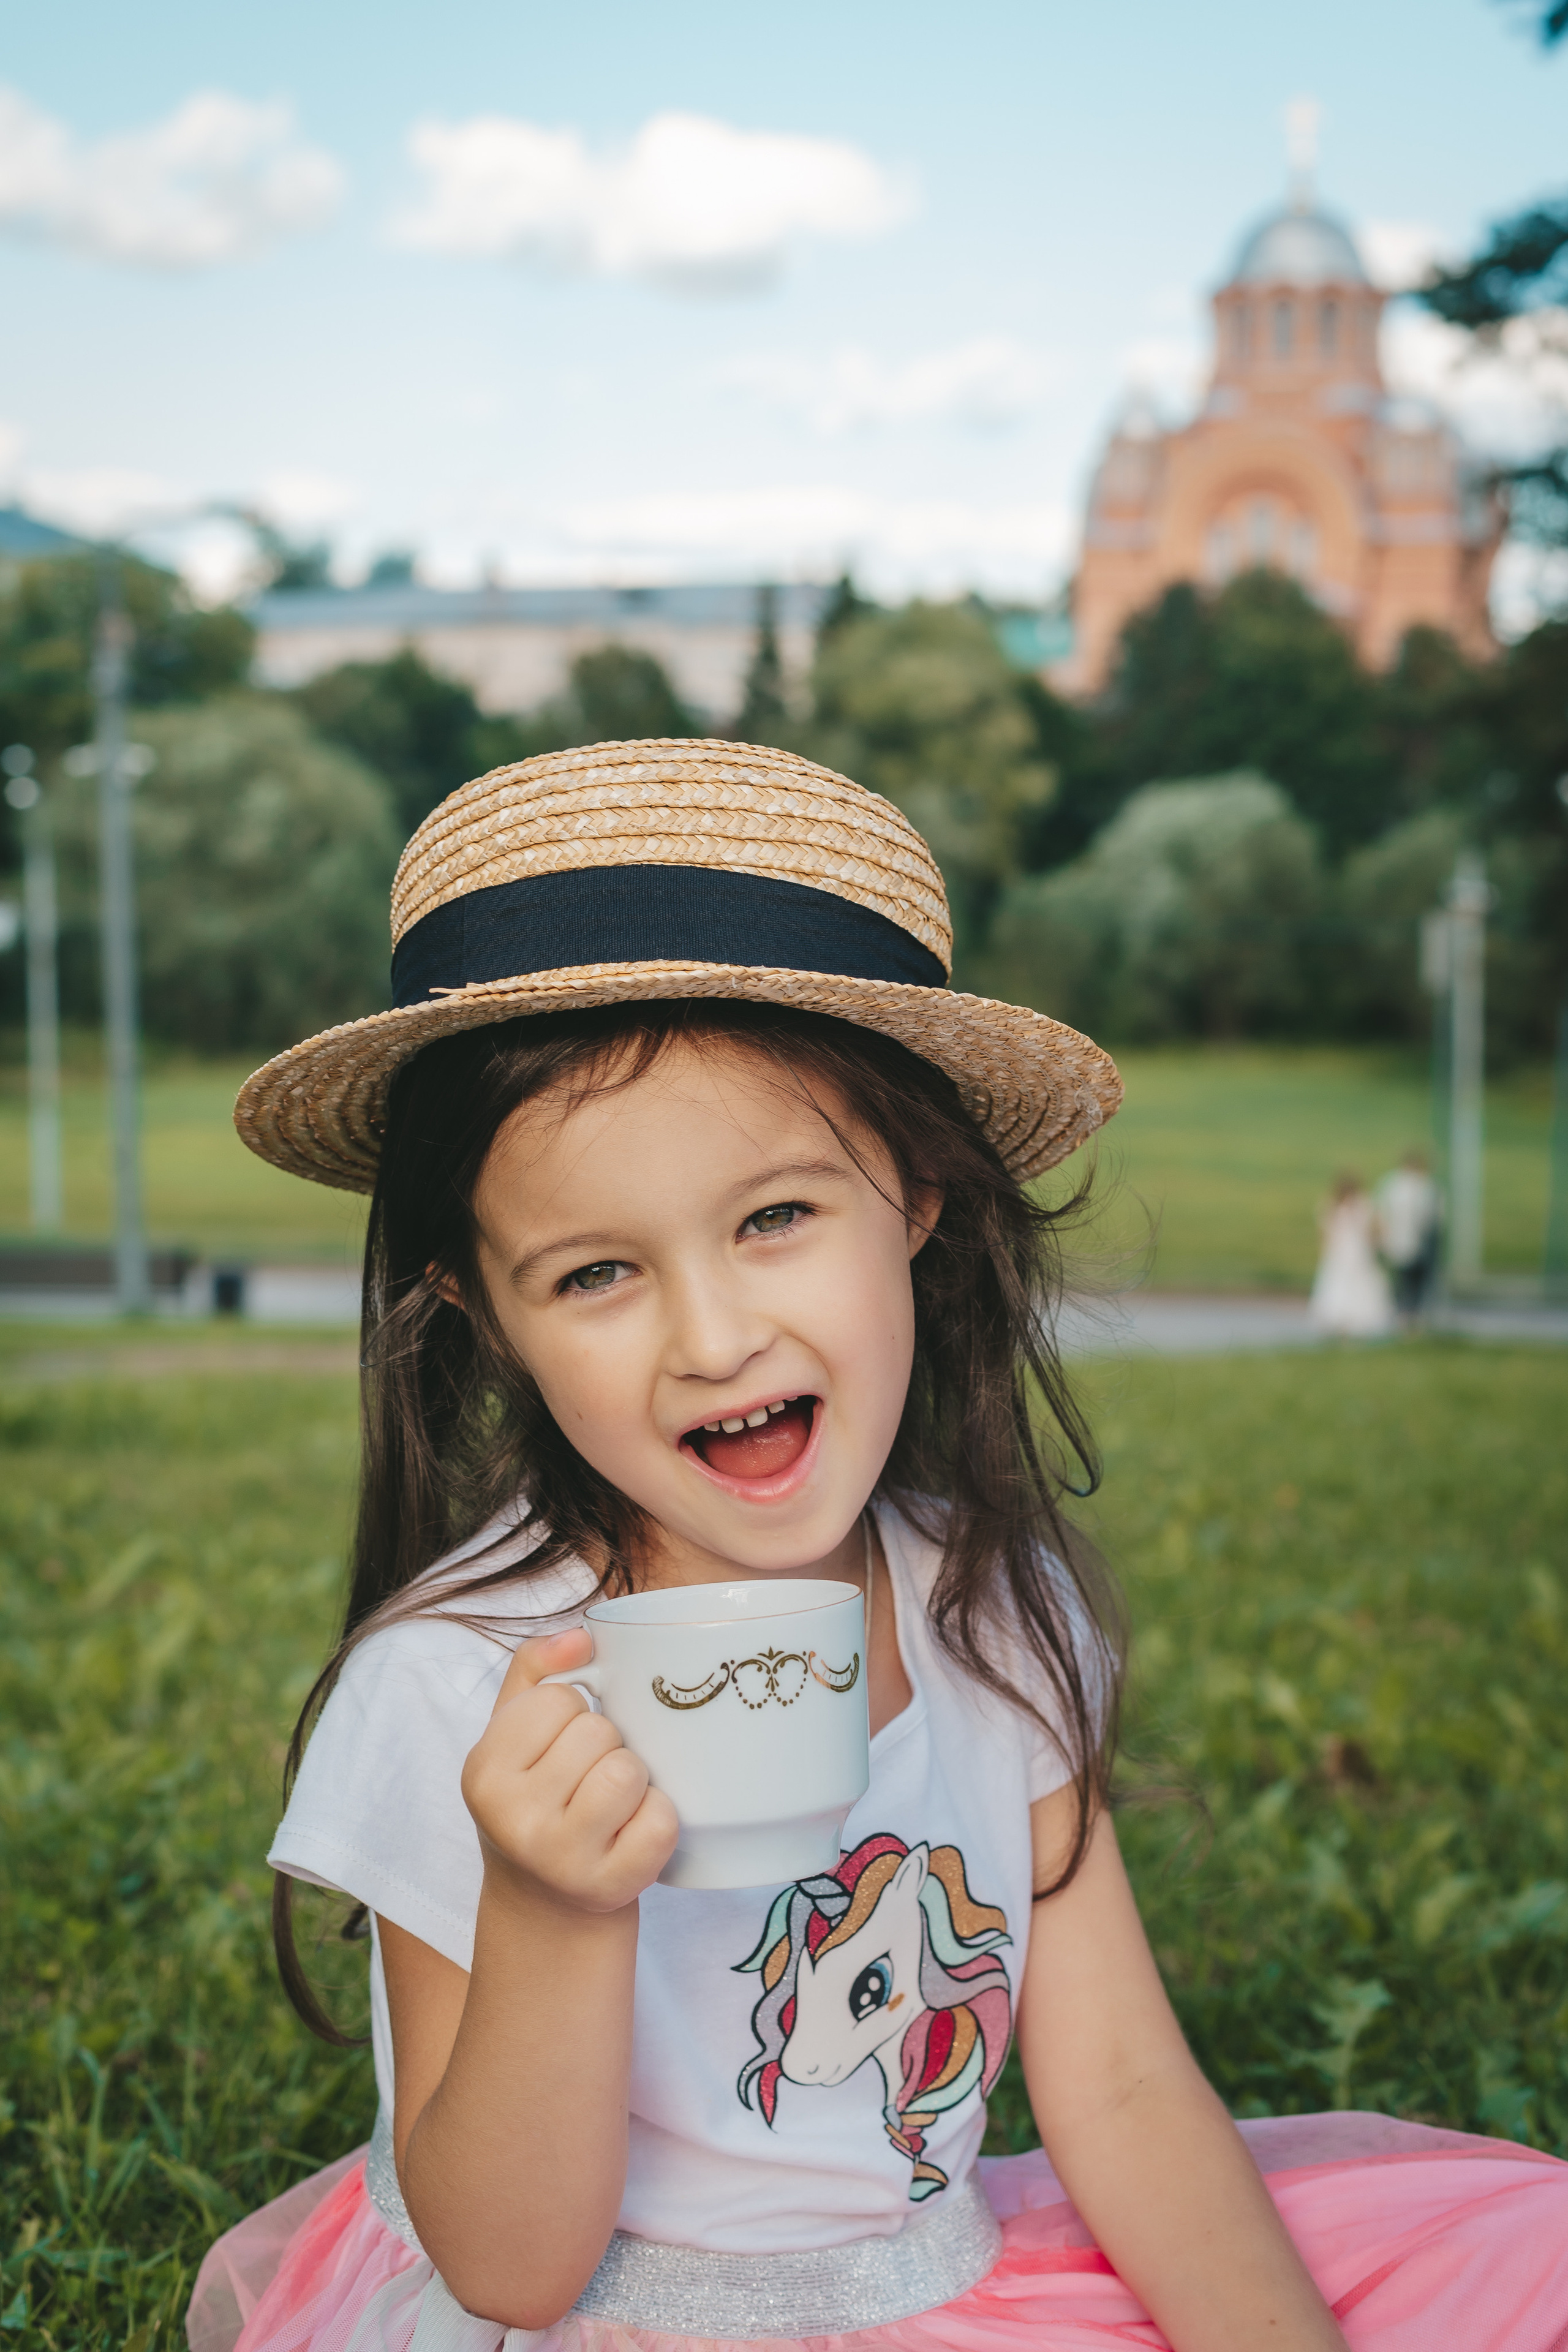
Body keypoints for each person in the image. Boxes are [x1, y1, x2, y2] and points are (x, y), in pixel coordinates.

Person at [189, 741, 1568, 2352]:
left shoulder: (989, 1603)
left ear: (917, 1194)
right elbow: (510, 2265)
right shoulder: (457, 1688)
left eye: (776, 1218)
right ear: (479, 1312)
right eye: (593, 1275)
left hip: (952, 2290)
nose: (712, 1337)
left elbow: (1117, 2086)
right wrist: (554, 1913)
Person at [1309, 1172, 1396, 1339]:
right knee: (1340, 1282)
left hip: (1357, 1251)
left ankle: (1355, 1320)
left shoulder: (1362, 1206)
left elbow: (1374, 1230)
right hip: (1342, 1252)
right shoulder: (1333, 1207)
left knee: (1355, 1282)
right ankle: (1340, 1319)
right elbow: (1327, 1233)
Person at [1376, 1152, 1443, 1328]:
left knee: (1413, 1278)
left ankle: (1412, 1313)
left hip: (1416, 1241)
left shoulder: (1424, 1185)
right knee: (1405, 1278)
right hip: (1403, 1240)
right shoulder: (1397, 1185)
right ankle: (1406, 1313)